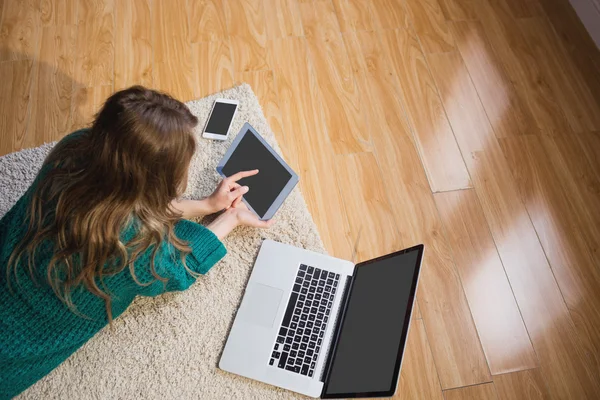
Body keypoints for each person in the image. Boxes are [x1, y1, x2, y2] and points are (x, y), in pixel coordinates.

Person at [0, 86, 273, 399]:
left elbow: (131, 203)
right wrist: (230, 219)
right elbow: (180, 267)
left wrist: (207, 205)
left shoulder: (72, 149)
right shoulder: (134, 255)